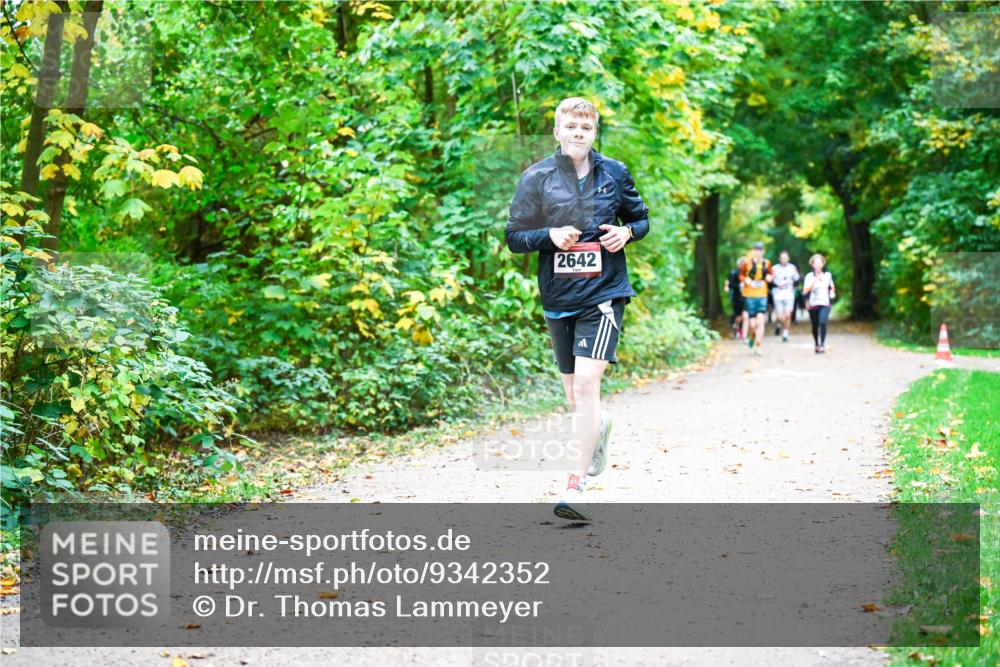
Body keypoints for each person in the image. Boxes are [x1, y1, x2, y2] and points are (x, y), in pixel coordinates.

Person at [505, 97, 650, 522]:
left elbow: (641, 221)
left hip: (604, 293)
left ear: (594, 132)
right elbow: (514, 236)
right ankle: (598, 425)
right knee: (575, 394)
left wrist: (626, 233)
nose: (578, 133)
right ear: (557, 132)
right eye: (571, 126)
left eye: (586, 127)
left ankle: (576, 485)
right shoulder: (536, 178)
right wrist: (549, 235)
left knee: (587, 384)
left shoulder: (615, 173)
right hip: (558, 297)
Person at [740, 242, 772, 355]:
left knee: (761, 320)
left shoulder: (767, 263)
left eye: (760, 250)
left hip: (762, 295)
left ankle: (758, 346)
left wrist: (769, 277)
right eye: (756, 250)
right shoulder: (747, 263)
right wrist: (745, 279)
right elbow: (741, 275)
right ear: (753, 251)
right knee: (752, 325)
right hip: (750, 296)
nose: (758, 252)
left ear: (763, 251)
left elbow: (771, 274)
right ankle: (752, 335)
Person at [803, 253, 836, 354]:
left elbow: (832, 287)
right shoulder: (809, 276)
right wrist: (814, 281)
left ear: (823, 264)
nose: (817, 265)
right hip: (813, 304)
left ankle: (822, 344)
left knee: (823, 322)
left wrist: (832, 293)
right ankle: (816, 343)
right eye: (815, 263)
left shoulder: (828, 275)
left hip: (825, 303)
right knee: (815, 325)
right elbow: (805, 291)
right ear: (812, 265)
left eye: (819, 262)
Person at [771, 250, 800, 342]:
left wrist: (793, 280)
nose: (784, 260)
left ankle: (785, 334)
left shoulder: (792, 268)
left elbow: (797, 278)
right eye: (782, 258)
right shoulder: (774, 268)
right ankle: (779, 325)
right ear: (779, 259)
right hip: (778, 294)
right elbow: (770, 279)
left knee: (788, 315)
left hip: (789, 294)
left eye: (786, 258)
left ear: (788, 258)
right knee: (780, 317)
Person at [724, 257, 747, 340]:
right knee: (738, 315)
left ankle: (742, 332)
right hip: (737, 297)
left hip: (746, 297)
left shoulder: (748, 273)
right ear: (739, 265)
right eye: (742, 264)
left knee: (745, 315)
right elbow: (730, 285)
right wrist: (739, 286)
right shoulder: (734, 273)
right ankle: (735, 326)